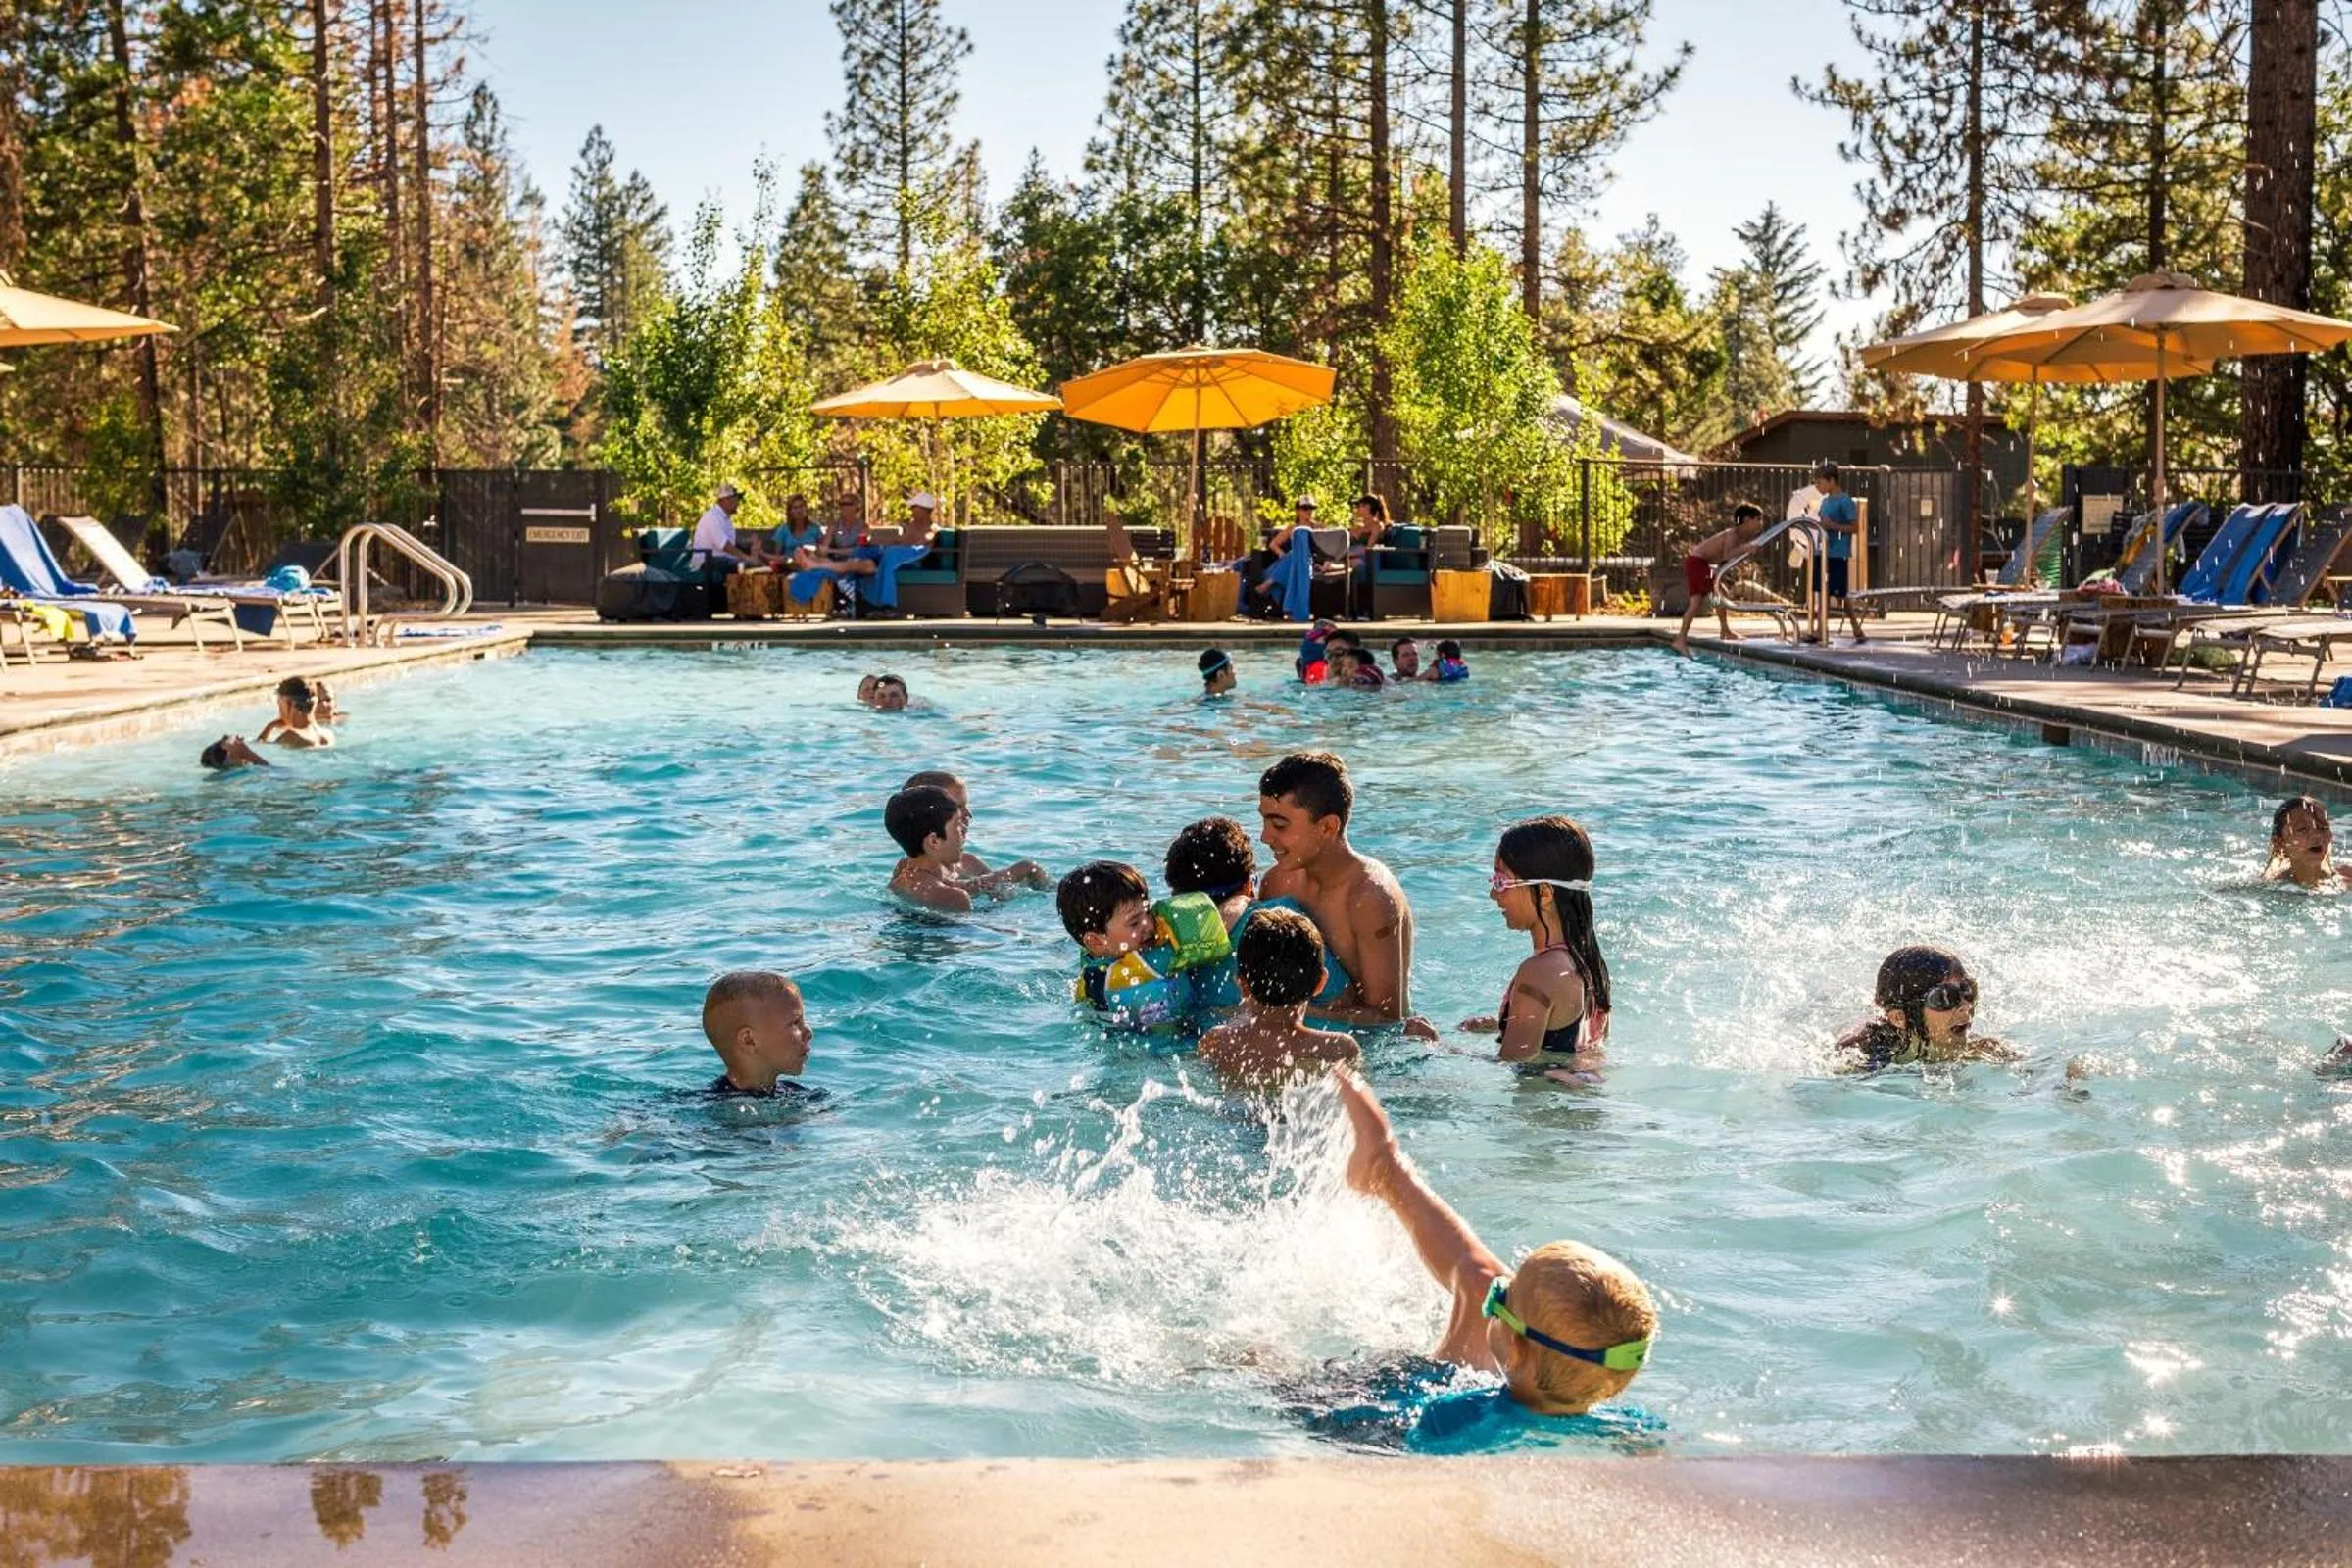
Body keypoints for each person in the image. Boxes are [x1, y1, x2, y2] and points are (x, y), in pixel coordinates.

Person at [1332, 1069, 1657, 1416]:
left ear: (1515, 1350)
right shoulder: (1632, 1427)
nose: (1496, 1291)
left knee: (1274, 1371)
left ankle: (1265, 1363)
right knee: (1479, 1278)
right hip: (1518, 1383)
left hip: (1382, 1422)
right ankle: (1385, 1170)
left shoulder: (1447, 1418)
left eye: (1501, 1300)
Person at [1257, 752, 1434, 1036]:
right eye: (1264, 821)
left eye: (1279, 825)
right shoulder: (1277, 883)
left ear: (1327, 826)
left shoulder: (1371, 898)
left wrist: (1286, 1013)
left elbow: (1389, 1018)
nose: (1265, 837)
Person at [1458, 817, 1609, 1077]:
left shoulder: (1540, 972)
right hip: (1574, 1109)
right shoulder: (1589, 965)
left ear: (1546, 893)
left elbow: (1510, 1066)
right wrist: (1506, 1025)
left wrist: (1433, 1043)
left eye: (1502, 882)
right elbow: (1572, 1048)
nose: (1494, 895)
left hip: (1542, 1113)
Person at [1197, 908, 1361, 1090]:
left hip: (1237, 1115)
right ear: (1320, 983)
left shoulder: (1217, 1043)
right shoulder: (1339, 1049)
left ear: (1242, 985)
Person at [1057, 860, 1231, 1032]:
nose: (1148, 925)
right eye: (1134, 923)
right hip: (1162, 1048)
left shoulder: (1092, 968)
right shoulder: (1144, 965)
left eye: (1147, 912)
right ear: (1096, 941)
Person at [1832, 946, 2018, 1070]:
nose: (1965, 1006)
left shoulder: (1984, 1049)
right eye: (1944, 997)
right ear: (1899, 1017)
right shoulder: (1860, 1056)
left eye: (1966, 990)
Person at [884, 784, 1048, 912]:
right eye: (957, 826)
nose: (963, 832)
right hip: (945, 948)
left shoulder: (901, 876)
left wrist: (1016, 872)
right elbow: (971, 937)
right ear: (933, 841)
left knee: (1028, 867)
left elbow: (952, 885)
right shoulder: (955, 897)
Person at [1673, 503, 1769, 656]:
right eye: (1757, 520)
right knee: (1718, 593)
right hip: (1698, 564)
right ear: (1746, 520)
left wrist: (1748, 548)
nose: (1760, 524)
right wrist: (1747, 548)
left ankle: (1684, 638)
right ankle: (1718, 631)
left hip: (1700, 564)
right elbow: (1728, 553)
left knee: (1698, 601)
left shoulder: (1740, 536)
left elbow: (1728, 554)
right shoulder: (1733, 534)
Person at [701, 969, 814, 1097]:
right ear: (749, 1040)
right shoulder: (715, 1105)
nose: (809, 1032)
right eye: (795, 1023)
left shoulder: (802, 1094)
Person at [1810, 462, 1868, 645]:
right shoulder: (1825, 501)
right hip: (1823, 551)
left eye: (1820, 483)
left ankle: (1856, 627)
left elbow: (1855, 528)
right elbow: (1822, 522)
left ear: (1831, 480)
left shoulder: (1846, 501)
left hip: (1838, 553)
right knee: (1821, 591)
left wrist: (1832, 526)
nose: (1818, 487)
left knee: (1839, 593)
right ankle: (1820, 629)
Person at [2261, 796, 2352, 888]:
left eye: (2323, 828)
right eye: (2302, 829)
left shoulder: (2347, 876)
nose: (2317, 835)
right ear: (2279, 843)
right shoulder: (2272, 889)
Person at [690, 482, 762, 572]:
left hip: (721, 559)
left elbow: (730, 542)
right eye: (736, 500)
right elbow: (725, 545)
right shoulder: (712, 517)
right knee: (744, 564)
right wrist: (747, 558)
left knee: (756, 565)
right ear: (726, 500)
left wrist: (749, 543)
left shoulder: (726, 518)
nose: (738, 503)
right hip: (706, 562)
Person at [257, 675, 333, 748]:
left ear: (288, 703)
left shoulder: (291, 737)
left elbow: (257, 749)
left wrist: (270, 726)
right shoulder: (328, 735)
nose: (280, 711)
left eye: (280, 705)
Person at [199, 735, 270, 770]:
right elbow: (277, 775)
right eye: (238, 742)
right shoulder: (248, 777)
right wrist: (248, 754)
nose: (243, 743)